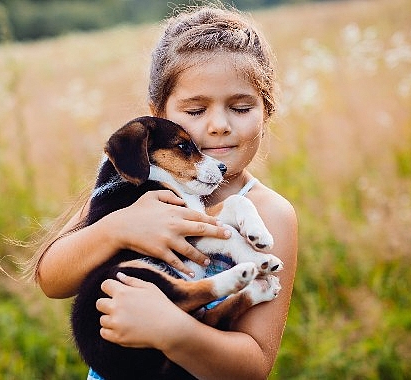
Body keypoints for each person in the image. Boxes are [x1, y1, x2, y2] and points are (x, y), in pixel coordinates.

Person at [27, 5, 298, 380]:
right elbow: (51, 280)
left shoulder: (271, 214)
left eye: (240, 107)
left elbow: (253, 367)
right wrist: (116, 229)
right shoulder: (128, 191)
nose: (218, 125)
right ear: (159, 117)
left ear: (266, 111)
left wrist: (172, 330)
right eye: (196, 109)